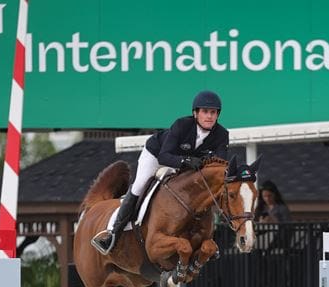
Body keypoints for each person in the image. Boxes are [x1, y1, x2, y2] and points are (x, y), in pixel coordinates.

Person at [92, 90, 230, 255]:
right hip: (156, 156)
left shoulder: (222, 135)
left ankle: (207, 237)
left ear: (217, 114)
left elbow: (220, 167)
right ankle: (113, 232)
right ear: (196, 113)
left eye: (213, 112)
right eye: (205, 112)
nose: (209, 116)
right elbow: (165, 156)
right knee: (140, 185)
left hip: (187, 167)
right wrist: (185, 161)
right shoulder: (181, 125)